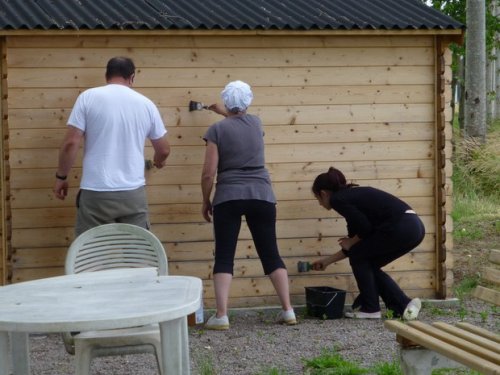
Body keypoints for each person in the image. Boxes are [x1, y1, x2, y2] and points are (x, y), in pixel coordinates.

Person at [201, 80, 296, 330]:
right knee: (271, 253)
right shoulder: (256, 124)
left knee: (224, 255)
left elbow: (209, 174)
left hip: (228, 196)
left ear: (225, 102)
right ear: (248, 102)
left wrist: (205, 200)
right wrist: (225, 112)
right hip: (261, 195)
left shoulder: (216, 131)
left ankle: (221, 315)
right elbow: (239, 123)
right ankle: (287, 310)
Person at [53, 56, 170, 236]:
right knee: (136, 255)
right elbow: (163, 149)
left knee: (92, 255)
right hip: (133, 194)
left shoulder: (87, 98)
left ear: (106, 75)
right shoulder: (146, 104)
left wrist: (61, 177)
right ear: (132, 77)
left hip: (96, 193)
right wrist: (158, 161)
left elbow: (71, 143)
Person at [311, 167, 424, 320]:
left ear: (323, 193)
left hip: (399, 226)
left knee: (360, 257)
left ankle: (371, 309)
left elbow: (364, 230)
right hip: (414, 227)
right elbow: (354, 245)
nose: (319, 204)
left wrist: (352, 242)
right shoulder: (350, 199)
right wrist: (327, 261)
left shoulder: (338, 200)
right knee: (366, 262)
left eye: (318, 198)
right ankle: (404, 305)